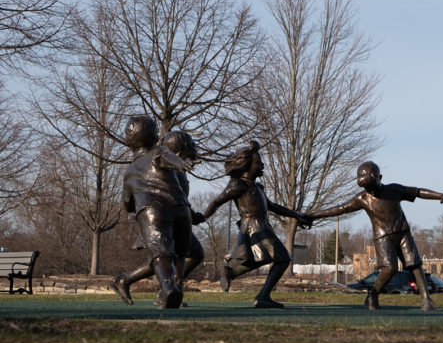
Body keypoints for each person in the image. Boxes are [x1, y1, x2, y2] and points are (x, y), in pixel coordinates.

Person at [303, 161, 443, 312]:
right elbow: (340, 208)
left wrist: (441, 196)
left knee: (415, 265)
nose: (371, 191)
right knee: (389, 268)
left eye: (372, 187)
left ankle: (426, 299)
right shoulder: (362, 198)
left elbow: (418, 192)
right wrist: (313, 215)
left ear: (380, 178)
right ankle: (372, 296)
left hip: (402, 232)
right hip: (383, 237)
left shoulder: (394, 190)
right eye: (367, 188)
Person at [201, 140, 311, 309]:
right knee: (282, 258)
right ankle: (262, 296)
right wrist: (202, 217)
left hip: (262, 225)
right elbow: (217, 201)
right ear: (246, 165)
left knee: (260, 259)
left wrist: (297, 216)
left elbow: (273, 206)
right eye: (258, 163)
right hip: (253, 227)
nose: (262, 166)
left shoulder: (256, 187)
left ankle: (232, 273)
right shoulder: (237, 185)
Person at [110, 130, 205, 306]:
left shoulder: (170, 168)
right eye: (191, 146)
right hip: (159, 215)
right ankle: (170, 289)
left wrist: (192, 215)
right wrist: (183, 164)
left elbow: (176, 196)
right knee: (166, 255)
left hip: (174, 214)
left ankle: (128, 280)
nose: (194, 149)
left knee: (181, 254)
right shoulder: (165, 161)